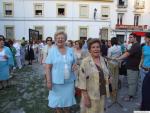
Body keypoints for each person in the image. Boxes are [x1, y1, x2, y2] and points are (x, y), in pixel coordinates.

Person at [45, 31, 76, 113]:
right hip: (56, 82)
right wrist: (48, 81)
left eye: (62, 38)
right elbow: (47, 67)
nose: (60, 39)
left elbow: (75, 62)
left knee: (67, 103)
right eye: (58, 38)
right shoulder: (52, 51)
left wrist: (75, 65)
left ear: (65, 39)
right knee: (57, 104)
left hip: (69, 82)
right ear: (55, 40)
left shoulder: (70, 50)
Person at [77, 38, 110, 113]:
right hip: (90, 96)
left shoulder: (104, 60)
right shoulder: (85, 62)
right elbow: (82, 81)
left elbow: (107, 74)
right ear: (89, 49)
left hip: (101, 95)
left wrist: (108, 78)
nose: (96, 49)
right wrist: (86, 98)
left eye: (97, 47)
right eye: (93, 47)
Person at [116, 33, 142, 101]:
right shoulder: (135, 45)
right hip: (133, 67)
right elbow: (128, 53)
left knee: (132, 83)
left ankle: (130, 96)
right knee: (133, 82)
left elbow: (127, 53)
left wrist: (119, 59)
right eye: (129, 37)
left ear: (135, 38)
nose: (129, 39)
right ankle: (133, 95)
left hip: (133, 68)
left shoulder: (136, 45)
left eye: (131, 37)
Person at [107, 37, 122, 101]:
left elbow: (108, 57)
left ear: (112, 42)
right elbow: (121, 55)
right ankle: (115, 92)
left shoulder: (110, 49)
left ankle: (113, 93)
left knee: (111, 78)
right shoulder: (119, 47)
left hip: (111, 64)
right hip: (117, 64)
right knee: (116, 78)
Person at [139, 32, 150, 110]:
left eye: (145, 37)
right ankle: (143, 103)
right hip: (143, 69)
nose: (144, 39)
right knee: (143, 88)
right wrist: (140, 66)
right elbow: (142, 57)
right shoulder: (144, 47)